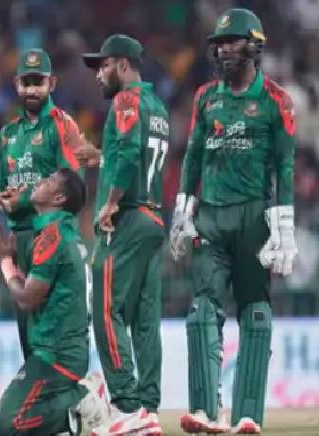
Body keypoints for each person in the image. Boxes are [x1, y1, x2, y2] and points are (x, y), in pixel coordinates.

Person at [170, 8, 297, 435]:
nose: (222, 50)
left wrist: (284, 227)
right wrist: (182, 211)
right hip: (211, 216)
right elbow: (193, 156)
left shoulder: (276, 100)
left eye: (231, 42)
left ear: (254, 46)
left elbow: (285, 166)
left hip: (254, 216)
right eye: (218, 43)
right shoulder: (206, 97)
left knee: (255, 313)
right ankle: (204, 411)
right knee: (201, 313)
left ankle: (248, 416)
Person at [80, 34, 168, 436]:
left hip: (127, 218)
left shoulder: (125, 101)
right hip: (153, 218)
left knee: (106, 308)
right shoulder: (157, 106)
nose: (99, 74)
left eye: (103, 65)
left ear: (123, 65)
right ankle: (148, 407)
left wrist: (110, 203)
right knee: (146, 318)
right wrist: (102, 157)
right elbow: (136, 153)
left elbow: (131, 155)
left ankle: (127, 405)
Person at [0, 169, 110, 436]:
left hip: (56, 356)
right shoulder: (62, 233)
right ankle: (69, 416)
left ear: (59, 198)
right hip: (62, 351)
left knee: (6, 424)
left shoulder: (53, 236)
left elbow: (27, 299)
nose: (41, 181)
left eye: (49, 181)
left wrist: (4, 260)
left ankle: (81, 398)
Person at [0, 47, 89, 360]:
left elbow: (72, 184)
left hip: (52, 236)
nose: (32, 89)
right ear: (16, 84)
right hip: (20, 238)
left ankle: (71, 384)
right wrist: (1, 199)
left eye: (39, 82)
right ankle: (44, 385)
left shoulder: (63, 126)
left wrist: (22, 198)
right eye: (26, 82)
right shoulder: (6, 136)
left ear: (52, 83)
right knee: (28, 332)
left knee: (54, 329)